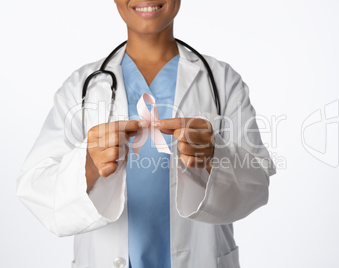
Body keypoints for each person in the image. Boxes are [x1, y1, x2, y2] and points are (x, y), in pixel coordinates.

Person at [17, 1, 276, 267]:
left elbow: (257, 185)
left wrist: (214, 156)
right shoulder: (82, 86)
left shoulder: (222, 81)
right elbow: (35, 188)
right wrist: (88, 165)